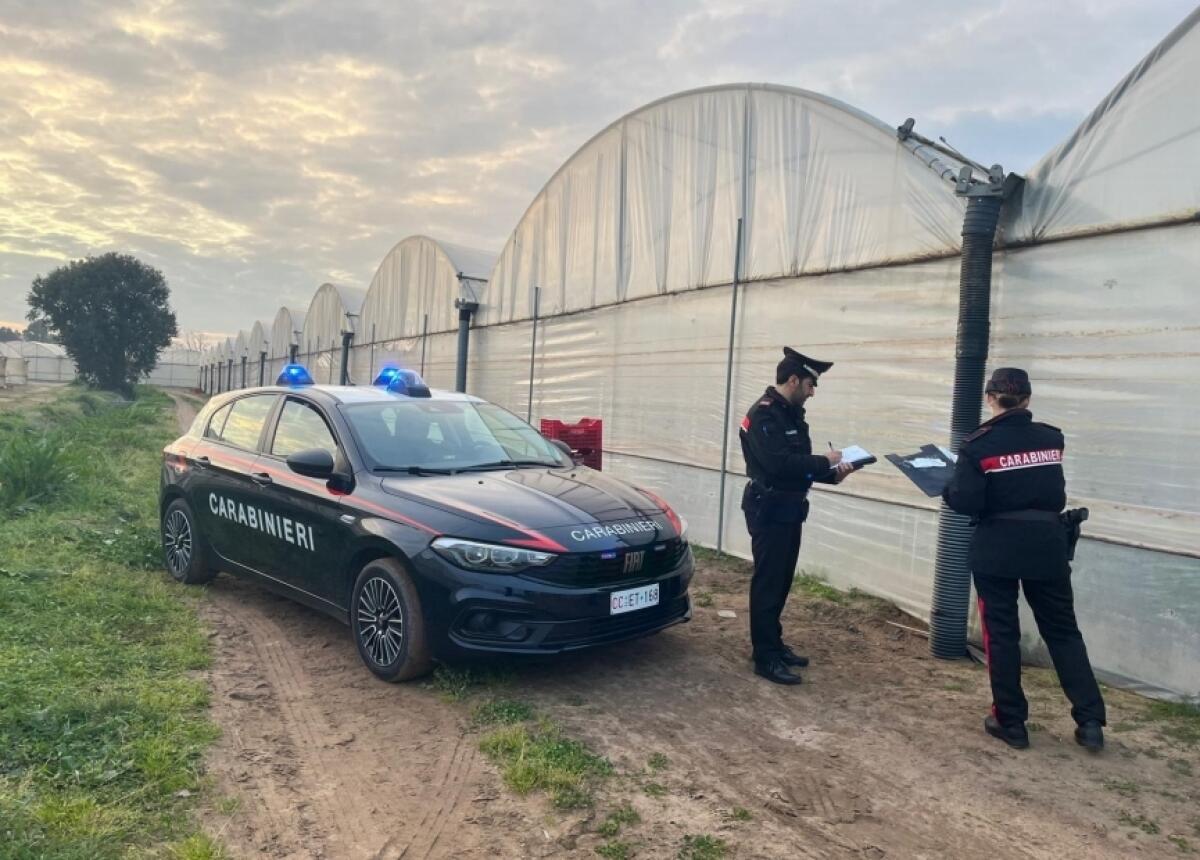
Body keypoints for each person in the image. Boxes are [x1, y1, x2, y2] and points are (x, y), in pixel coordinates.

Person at [942, 367, 1106, 751]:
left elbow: (967, 502)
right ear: (1028, 400)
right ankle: (1090, 719)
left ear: (989, 399)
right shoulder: (1052, 438)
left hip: (997, 548)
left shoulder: (978, 445)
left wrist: (947, 486)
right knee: (1064, 632)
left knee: (1001, 635)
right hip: (1047, 545)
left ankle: (1010, 721)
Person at [739, 347, 854, 685]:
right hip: (768, 508)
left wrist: (835, 474)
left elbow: (799, 468)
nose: (812, 392)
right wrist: (825, 461)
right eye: (809, 385)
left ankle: (774, 644)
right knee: (768, 582)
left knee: (782, 580)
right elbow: (780, 465)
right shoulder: (764, 416)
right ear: (793, 380)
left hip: (789, 508)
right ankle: (765, 657)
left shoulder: (791, 414)